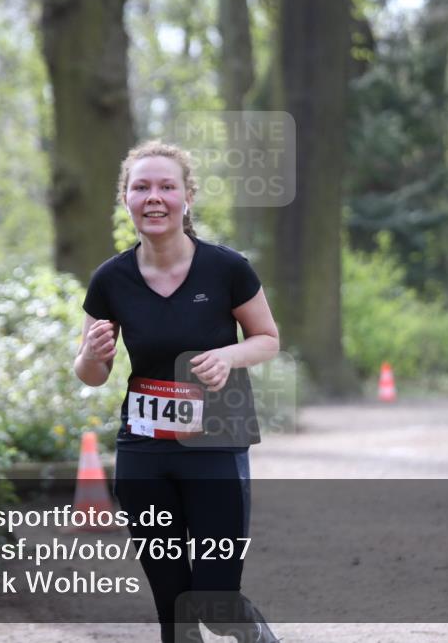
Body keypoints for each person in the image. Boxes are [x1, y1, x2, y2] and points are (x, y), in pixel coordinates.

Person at [74, 140, 282, 643]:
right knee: (173, 606)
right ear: (125, 198)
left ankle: (248, 627)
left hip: (216, 441)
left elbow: (268, 340)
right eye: (141, 187)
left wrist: (228, 357)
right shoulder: (111, 280)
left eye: (166, 186)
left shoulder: (227, 268)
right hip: (145, 448)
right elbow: (91, 374)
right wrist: (92, 355)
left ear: (187, 197)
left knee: (214, 598)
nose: (154, 197)